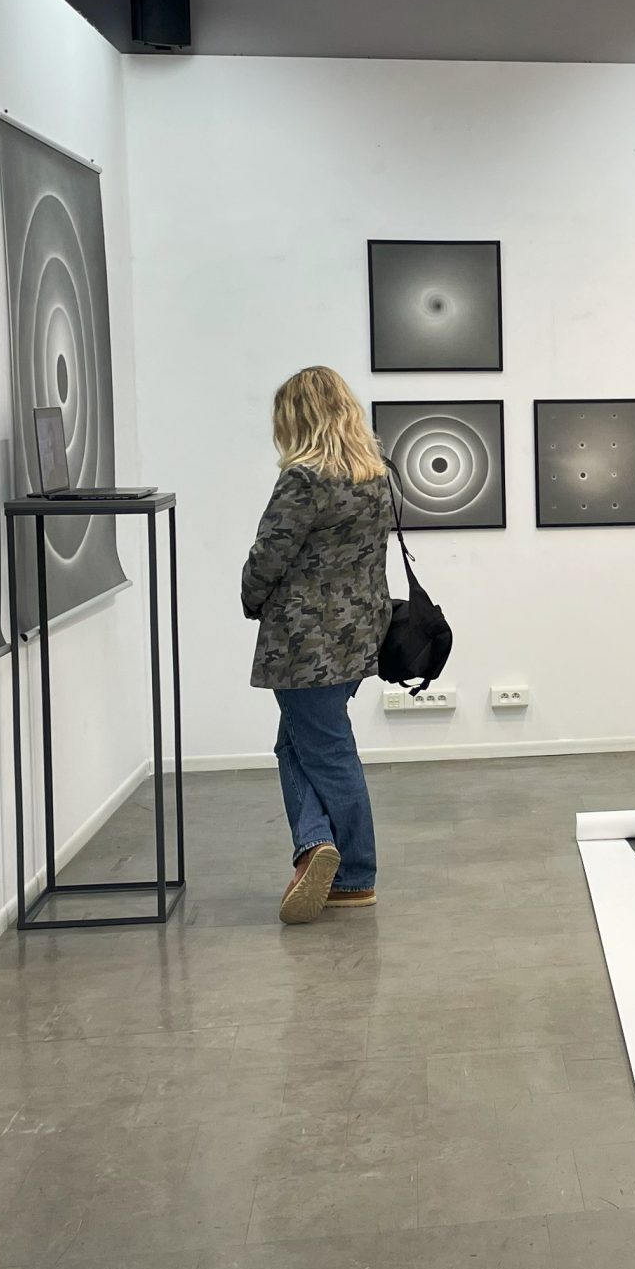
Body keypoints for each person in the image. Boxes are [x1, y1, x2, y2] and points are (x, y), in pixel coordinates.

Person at [240, 365, 395, 923]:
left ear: (296, 418)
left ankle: (352, 873)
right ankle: (315, 846)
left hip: (305, 643)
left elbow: (269, 555)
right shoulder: (375, 474)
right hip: (359, 635)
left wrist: (251, 597)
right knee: (296, 745)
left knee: (327, 752)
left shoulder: (304, 479)